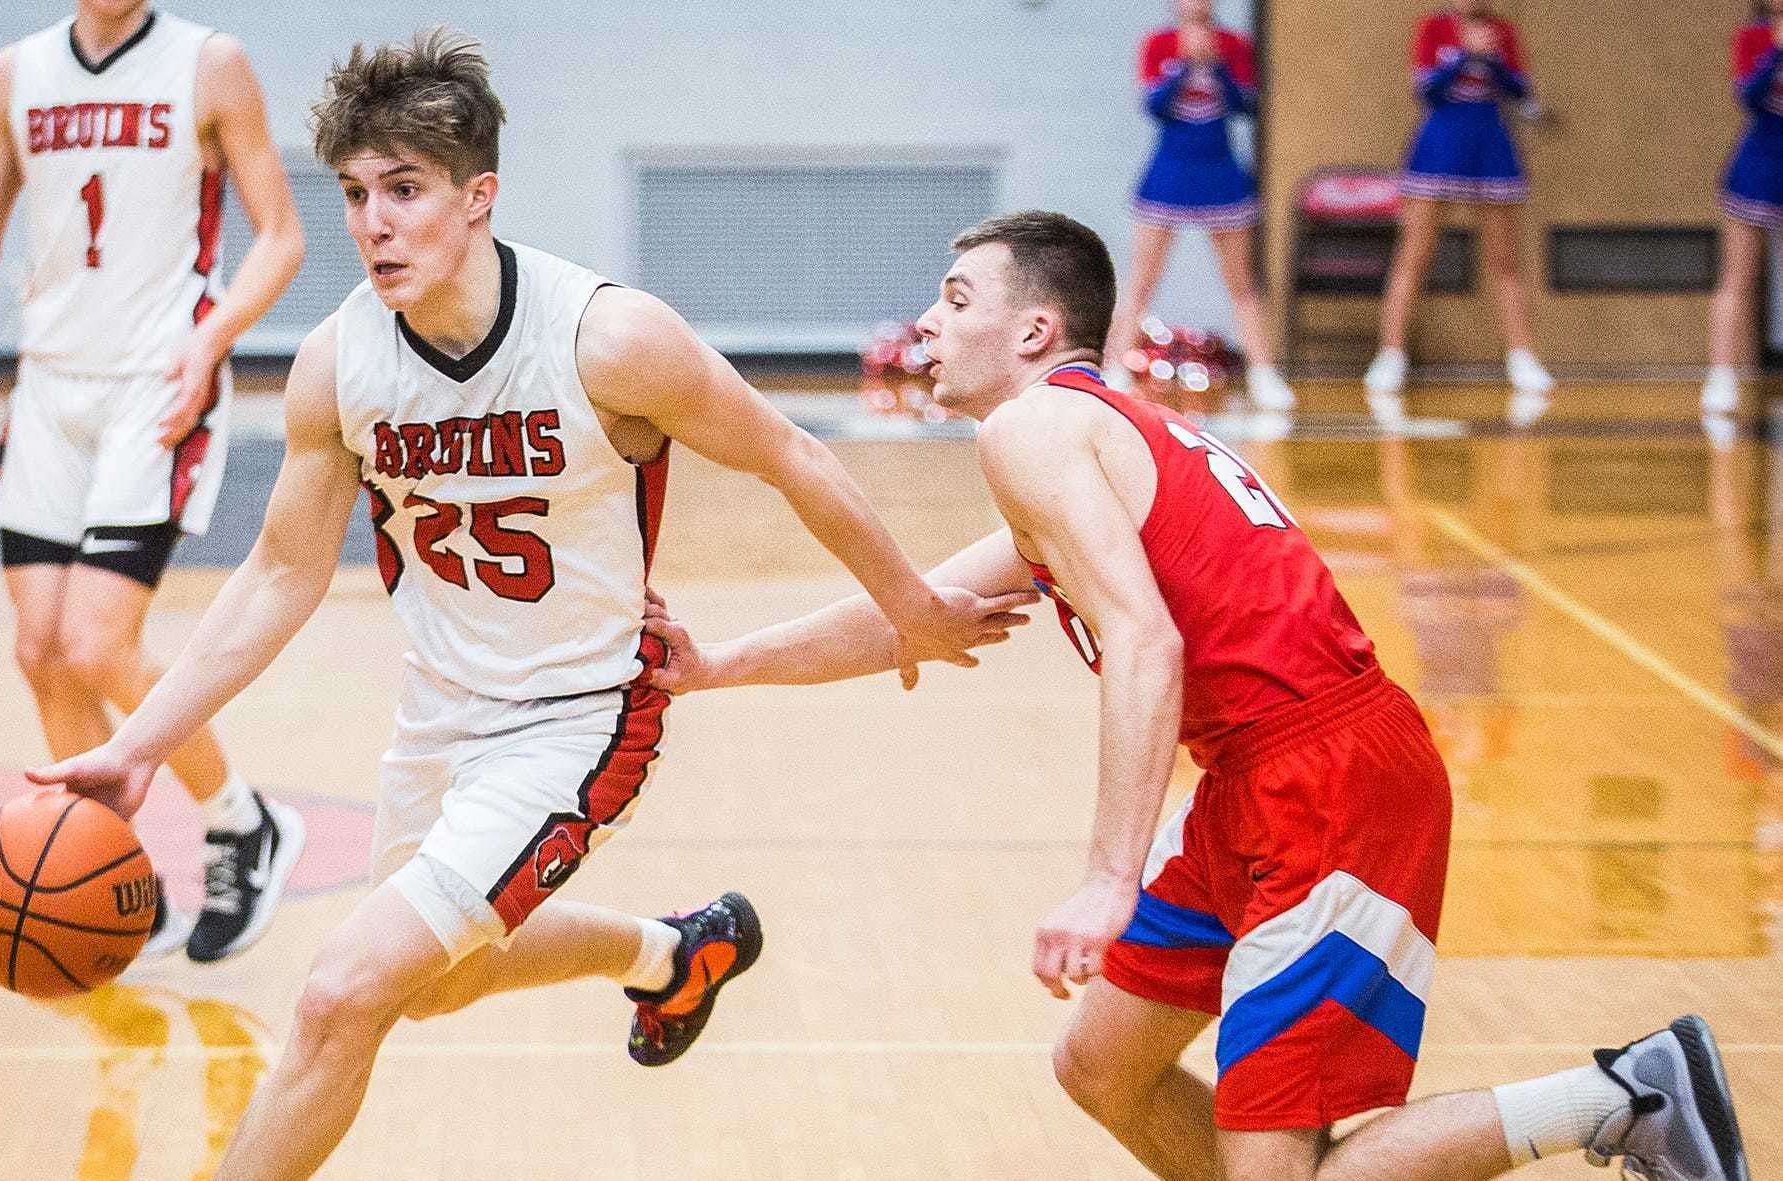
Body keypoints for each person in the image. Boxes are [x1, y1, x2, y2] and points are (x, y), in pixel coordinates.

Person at [29, 29, 1025, 1181]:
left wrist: (909, 604)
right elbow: (280, 574)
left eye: (404, 190)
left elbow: (788, 453)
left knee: (339, 993)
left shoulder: (607, 337)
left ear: (477, 196)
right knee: (434, 984)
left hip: (577, 718)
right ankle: (671, 954)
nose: (372, 221)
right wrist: (138, 744)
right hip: (438, 714)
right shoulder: (339, 362)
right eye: (354, 194)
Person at [644, 210, 1752, 1181]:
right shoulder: (1085, 430)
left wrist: (1103, 879)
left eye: (955, 297)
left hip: (1330, 782)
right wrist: (714, 665)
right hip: (1260, 781)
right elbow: (920, 608)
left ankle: (1626, 1095)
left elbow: (1143, 639)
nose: (925, 323)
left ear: (1033, 331)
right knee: (1102, 1065)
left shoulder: (1035, 431)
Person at [0, 0, 307, 962]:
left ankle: (242, 822)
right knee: (40, 650)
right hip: (50, 387)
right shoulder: (15, 74)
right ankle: (112, 879)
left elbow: (280, 235)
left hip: (155, 384)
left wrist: (211, 338)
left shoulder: (211, 63)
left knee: (95, 644)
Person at [1364, 1, 1555, 429]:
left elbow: (1520, 92)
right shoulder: (1433, 29)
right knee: (1415, 252)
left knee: (1504, 259)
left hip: (1490, 145)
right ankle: (1390, 354)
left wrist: (1490, 58)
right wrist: (1465, 55)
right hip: (1439, 145)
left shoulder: (1504, 32)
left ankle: (1521, 357)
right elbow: (1425, 91)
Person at [1103, 0, 1296, 414]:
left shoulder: (1235, 44)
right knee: (1143, 278)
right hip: (1169, 168)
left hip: (1220, 169)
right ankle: (1115, 367)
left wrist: (1218, 64)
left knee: (1241, 280)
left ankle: (1263, 372)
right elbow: (1155, 108)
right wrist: (1185, 66)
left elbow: (1246, 106)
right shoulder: (1157, 43)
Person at [1705, 1, 1783, 416]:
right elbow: (1748, 97)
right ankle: (1721, 374)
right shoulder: (1750, 37)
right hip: (1759, 162)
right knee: (1739, 273)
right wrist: (1776, 53)